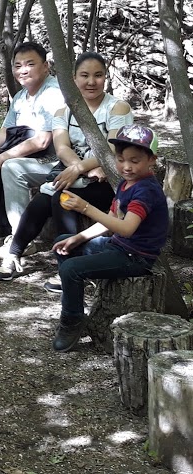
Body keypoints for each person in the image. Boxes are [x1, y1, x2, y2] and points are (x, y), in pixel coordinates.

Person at [0, 52, 133, 281]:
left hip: (107, 181)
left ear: (105, 77)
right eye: (85, 75)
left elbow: (112, 149)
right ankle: (15, 254)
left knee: (61, 197)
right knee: (46, 198)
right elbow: (62, 147)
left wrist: (78, 169)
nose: (91, 82)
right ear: (74, 78)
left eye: (98, 75)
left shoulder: (117, 108)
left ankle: (66, 267)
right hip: (75, 174)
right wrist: (79, 168)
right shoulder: (65, 110)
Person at [51, 125, 167, 352]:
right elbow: (112, 218)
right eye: (121, 160)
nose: (126, 166)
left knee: (71, 269)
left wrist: (85, 207)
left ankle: (72, 319)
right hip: (119, 246)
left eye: (135, 161)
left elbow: (126, 229)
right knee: (64, 243)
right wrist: (79, 238)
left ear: (152, 160)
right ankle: (75, 302)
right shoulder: (126, 183)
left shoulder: (146, 191)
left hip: (136, 257)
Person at [0, 42, 65, 238]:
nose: (23, 70)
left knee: (10, 166)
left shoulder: (53, 93)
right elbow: (5, 130)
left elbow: (42, 141)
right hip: (28, 153)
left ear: (45, 66)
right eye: (18, 65)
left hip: (53, 160)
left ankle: (20, 236)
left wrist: (3, 157)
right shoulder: (21, 96)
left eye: (30, 64)